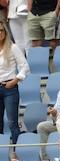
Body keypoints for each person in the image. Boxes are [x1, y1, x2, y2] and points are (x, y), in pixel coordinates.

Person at [0, 20, 29, 152]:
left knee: (12, 122)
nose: (0, 33)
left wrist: (15, 80)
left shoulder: (12, 47)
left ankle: (17, 151)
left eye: (1, 30)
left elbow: (25, 67)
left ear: (5, 32)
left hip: (10, 88)